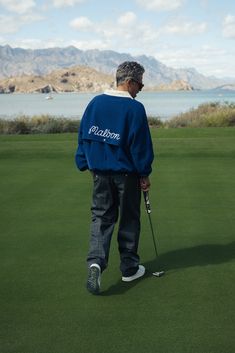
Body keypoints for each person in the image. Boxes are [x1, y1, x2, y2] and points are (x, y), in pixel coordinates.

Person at [75, 61, 154, 294]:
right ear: (129, 82)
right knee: (129, 219)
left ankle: (96, 263)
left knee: (101, 217)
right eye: (139, 83)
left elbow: (84, 137)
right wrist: (144, 173)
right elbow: (140, 146)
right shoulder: (135, 108)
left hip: (99, 173)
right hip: (126, 174)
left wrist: (83, 162)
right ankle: (129, 269)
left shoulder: (95, 103)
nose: (141, 87)